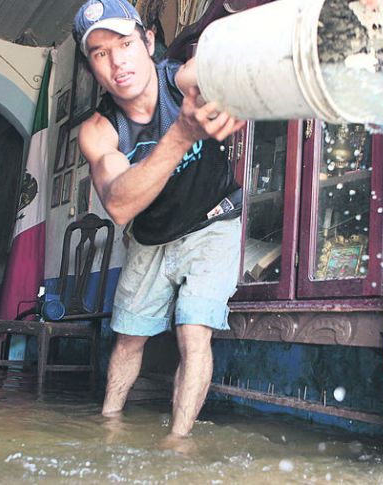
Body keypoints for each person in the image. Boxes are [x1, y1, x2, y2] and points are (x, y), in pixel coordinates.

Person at [71, 0, 246, 449]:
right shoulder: (98, 130)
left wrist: (231, 87)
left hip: (213, 219)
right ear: (92, 68)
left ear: (148, 42)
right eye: (100, 53)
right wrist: (182, 134)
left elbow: (207, 72)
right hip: (149, 236)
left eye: (125, 43)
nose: (117, 61)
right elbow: (121, 206)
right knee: (129, 337)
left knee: (193, 330)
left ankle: (176, 442)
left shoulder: (179, 79)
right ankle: (107, 428)